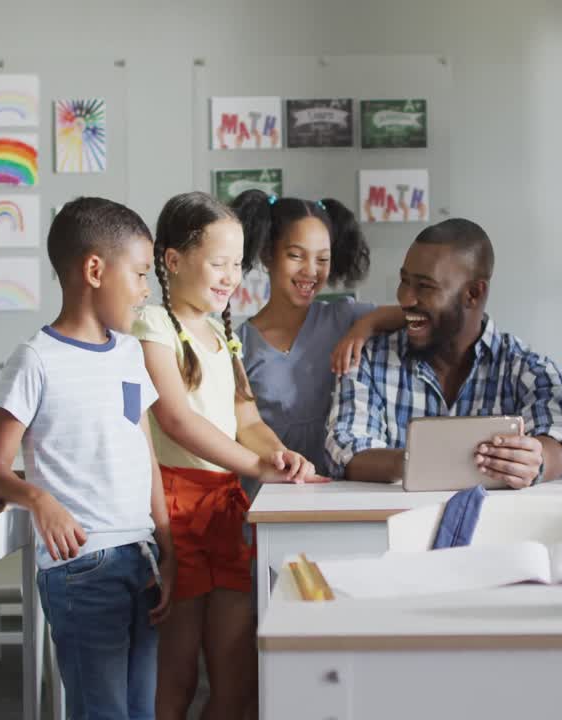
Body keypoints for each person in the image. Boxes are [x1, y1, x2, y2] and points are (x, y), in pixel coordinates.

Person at [0, 197, 174, 720]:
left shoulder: (131, 353)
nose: (146, 289)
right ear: (94, 270)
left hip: (143, 559)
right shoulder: (36, 359)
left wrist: (168, 545)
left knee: (140, 712)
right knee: (101, 712)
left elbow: (143, 451)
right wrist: (37, 498)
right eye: (139, 273)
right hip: (81, 569)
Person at [133, 191, 315, 720]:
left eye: (237, 264)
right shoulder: (154, 326)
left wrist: (280, 456)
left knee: (237, 681)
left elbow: (249, 420)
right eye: (218, 263)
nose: (231, 276)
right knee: (178, 679)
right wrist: (256, 466)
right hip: (176, 505)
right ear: (172, 260)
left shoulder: (220, 332)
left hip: (224, 506)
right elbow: (177, 420)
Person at [327, 218, 562, 487]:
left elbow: (559, 437)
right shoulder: (369, 360)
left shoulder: (527, 368)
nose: (405, 298)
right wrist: (432, 461)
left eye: (424, 286)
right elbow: (346, 447)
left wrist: (536, 459)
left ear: (473, 293)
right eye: (404, 281)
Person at [232, 190, 405, 477]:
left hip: (339, 490)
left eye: (322, 260)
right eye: (296, 255)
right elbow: (246, 426)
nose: (310, 271)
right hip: (273, 491)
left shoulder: (345, 317)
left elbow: (415, 313)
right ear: (267, 254)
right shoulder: (239, 344)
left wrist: (367, 324)